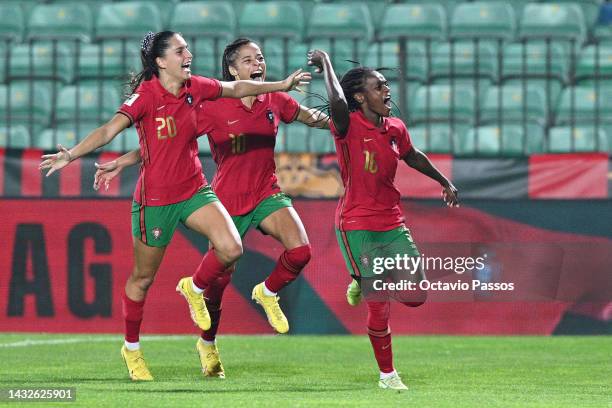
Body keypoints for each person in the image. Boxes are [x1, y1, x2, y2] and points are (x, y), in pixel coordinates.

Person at [38, 31, 310, 382]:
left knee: (231, 248)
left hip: (195, 190)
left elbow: (237, 88)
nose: (189, 54)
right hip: (155, 200)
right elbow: (110, 130)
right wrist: (72, 154)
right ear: (161, 61)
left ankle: (193, 287)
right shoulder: (145, 98)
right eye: (180, 50)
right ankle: (132, 349)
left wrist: (282, 84)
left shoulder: (195, 87)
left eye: (188, 48)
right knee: (142, 279)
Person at [307, 49, 459, 391]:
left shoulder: (395, 129)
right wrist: (327, 63)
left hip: (391, 222)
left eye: (387, 84)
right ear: (360, 97)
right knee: (378, 306)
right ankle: (388, 376)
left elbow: (412, 155)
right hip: (357, 224)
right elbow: (335, 102)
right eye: (380, 85)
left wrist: (443, 181)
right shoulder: (346, 124)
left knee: (417, 295)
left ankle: (364, 278)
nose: (387, 90)